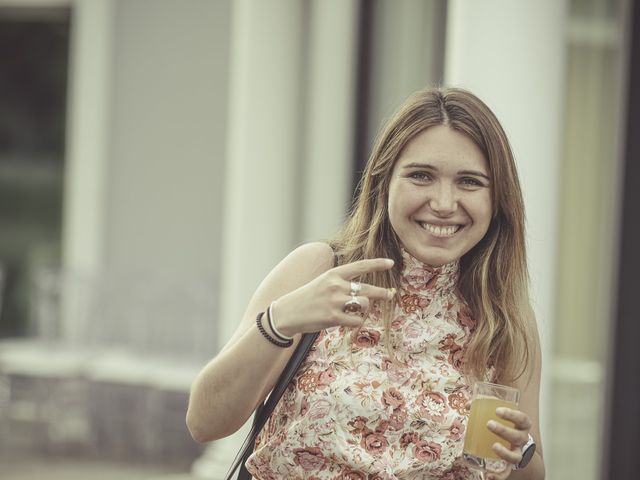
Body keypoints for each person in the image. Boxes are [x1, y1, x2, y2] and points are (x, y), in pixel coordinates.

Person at [186, 87, 545, 480]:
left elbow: (531, 468)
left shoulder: (503, 315)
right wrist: (281, 321)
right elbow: (204, 422)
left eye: (470, 182)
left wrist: (518, 453)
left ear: (497, 199)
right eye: (421, 176)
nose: (444, 202)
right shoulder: (320, 267)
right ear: (384, 180)